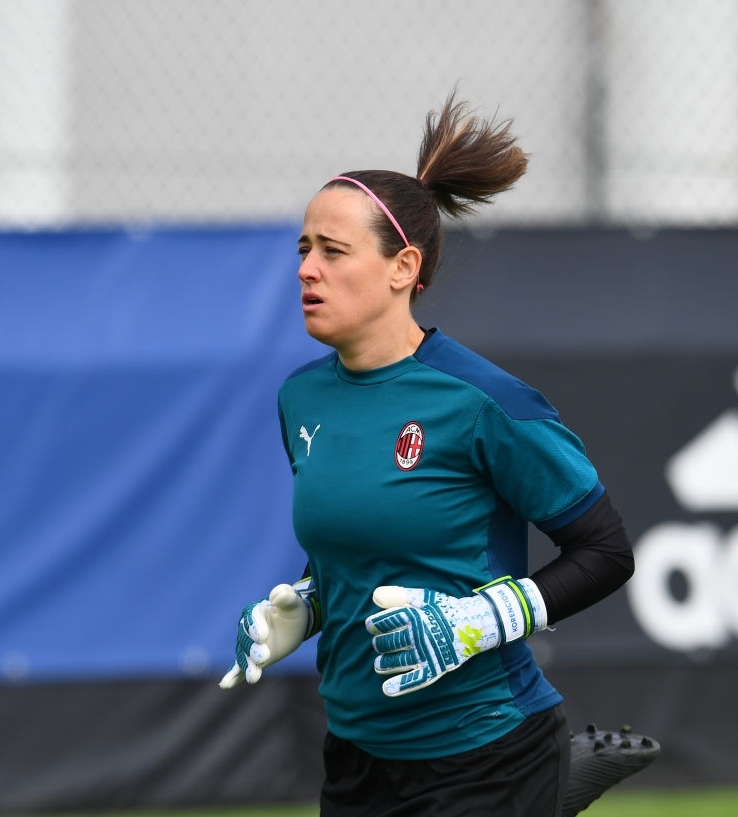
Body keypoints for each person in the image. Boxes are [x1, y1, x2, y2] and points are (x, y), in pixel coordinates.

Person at [220, 92, 636, 817]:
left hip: (485, 751)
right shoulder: (301, 398)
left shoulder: (484, 401)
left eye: (333, 252)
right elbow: (365, 548)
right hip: (356, 753)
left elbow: (605, 551)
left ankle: (551, 781)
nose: (307, 269)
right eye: (303, 250)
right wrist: (309, 604)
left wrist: (484, 619)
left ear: (402, 267)